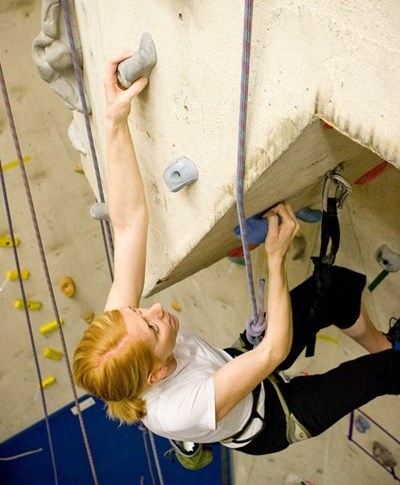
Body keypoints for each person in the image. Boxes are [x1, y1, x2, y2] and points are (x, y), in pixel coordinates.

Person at [73, 52, 400, 456]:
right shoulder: (178, 411)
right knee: (385, 374)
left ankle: (385, 345)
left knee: (331, 290)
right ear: (156, 374)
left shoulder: (124, 339)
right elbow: (273, 351)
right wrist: (275, 260)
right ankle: (391, 362)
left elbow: (127, 224)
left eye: (138, 311)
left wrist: (115, 121)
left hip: (231, 362)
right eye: (153, 328)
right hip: (275, 417)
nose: (152, 310)